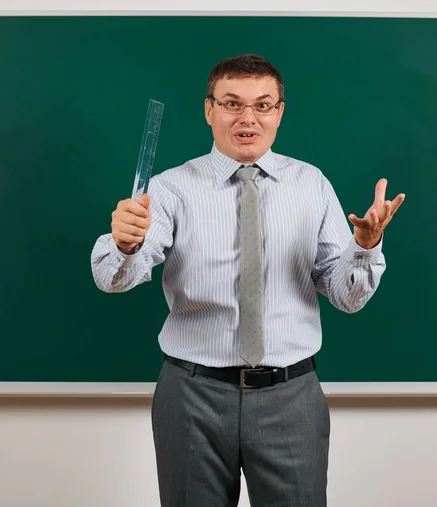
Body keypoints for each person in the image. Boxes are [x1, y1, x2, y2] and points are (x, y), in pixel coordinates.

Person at [91, 54, 404, 507]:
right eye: (232, 103)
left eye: (262, 105)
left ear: (279, 113)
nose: (247, 118)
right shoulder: (170, 188)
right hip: (192, 395)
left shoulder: (311, 184)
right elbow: (111, 278)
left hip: (291, 397)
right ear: (209, 110)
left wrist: (366, 247)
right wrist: (124, 245)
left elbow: (346, 297)